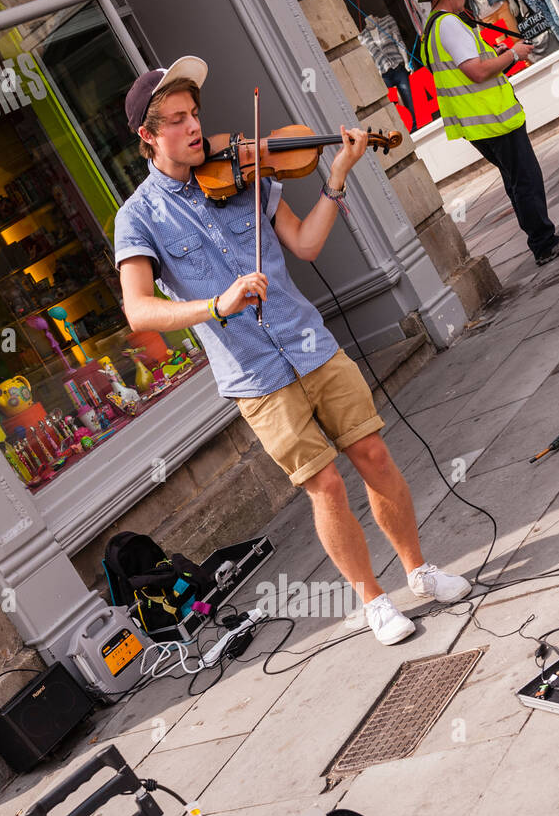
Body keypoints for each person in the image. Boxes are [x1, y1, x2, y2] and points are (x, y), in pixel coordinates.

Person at [114, 59, 473, 646]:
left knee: (376, 455)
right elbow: (138, 310)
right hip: (257, 377)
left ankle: (420, 571)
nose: (194, 128)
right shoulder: (139, 218)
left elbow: (305, 244)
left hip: (311, 345)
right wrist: (215, 305)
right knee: (325, 486)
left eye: (194, 115)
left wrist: (337, 177)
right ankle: (374, 602)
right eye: (176, 121)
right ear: (148, 135)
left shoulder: (245, 171)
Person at [418, 0, 559, 266]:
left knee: (517, 180)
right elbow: (476, 72)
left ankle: (542, 239)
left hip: (477, 123)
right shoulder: (449, 24)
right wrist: (512, 54)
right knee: (526, 179)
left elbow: (463, 72)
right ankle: (544, 243)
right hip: (492, 118)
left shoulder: (431, 29)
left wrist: (498, 56)